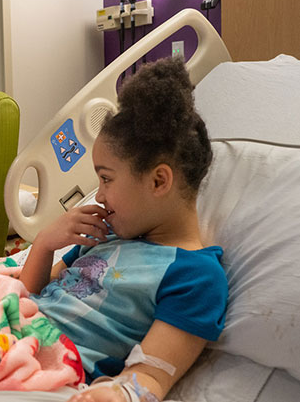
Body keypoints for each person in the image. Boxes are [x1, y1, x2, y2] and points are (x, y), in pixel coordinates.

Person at [18, 57, 228, 401]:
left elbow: (151, 375)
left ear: (159, 180)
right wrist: (43, 243)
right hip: (8, 327)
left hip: (45, 364)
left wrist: (116, 394)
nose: (98, 195)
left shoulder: (196, 277)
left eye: (106, 179)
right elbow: (29, 295)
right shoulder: (105, 233)